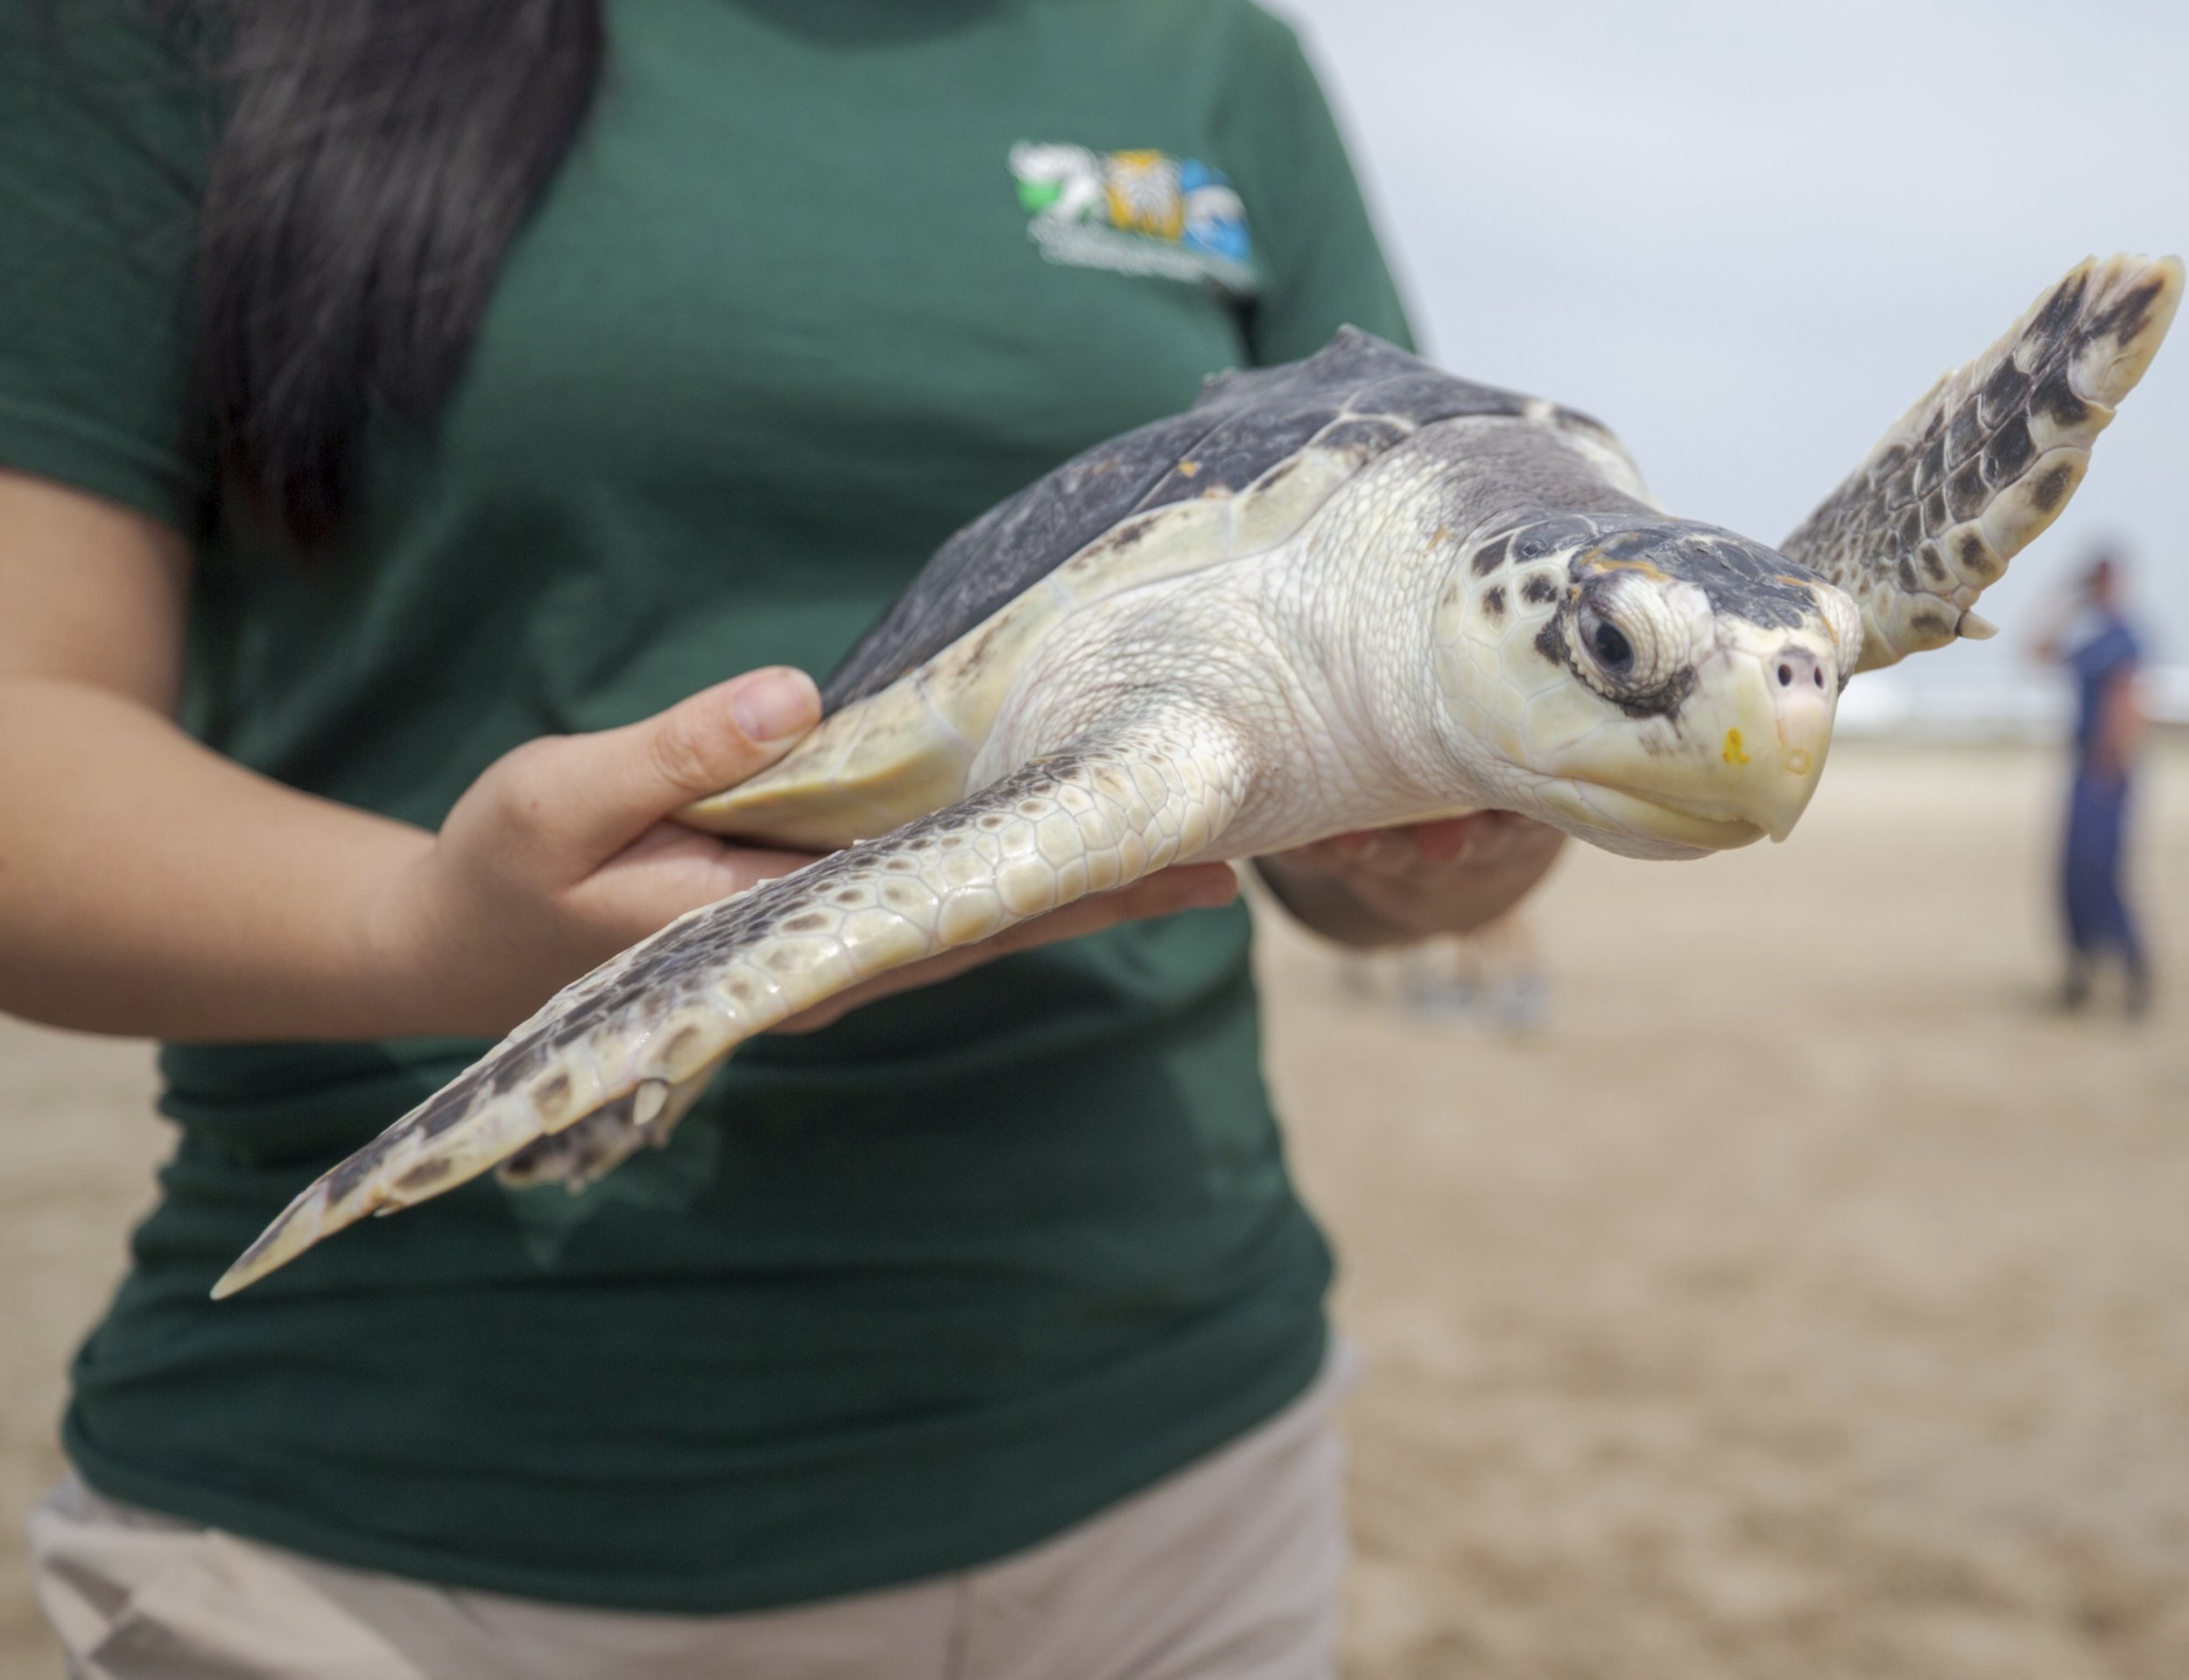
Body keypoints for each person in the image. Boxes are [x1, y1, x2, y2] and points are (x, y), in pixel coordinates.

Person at [0, 3, 1563, 1674]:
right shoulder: (161, 32)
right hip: (397, 1525)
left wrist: (1441, 819)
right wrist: (432, 935)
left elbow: (1430, 757)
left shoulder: (1205, 58)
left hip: (1176, 1483)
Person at [2032, 548, 2150, 1016]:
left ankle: (2133, 971)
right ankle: (2081, 970)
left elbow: (2128, 700)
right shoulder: (2091, 637)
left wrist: (2111, 762)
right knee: (2071, 874)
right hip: (2084, 765)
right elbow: (2037, 650)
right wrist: (2063, 596)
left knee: (2102, 872)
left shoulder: (2125, 637)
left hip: (2106, 770)